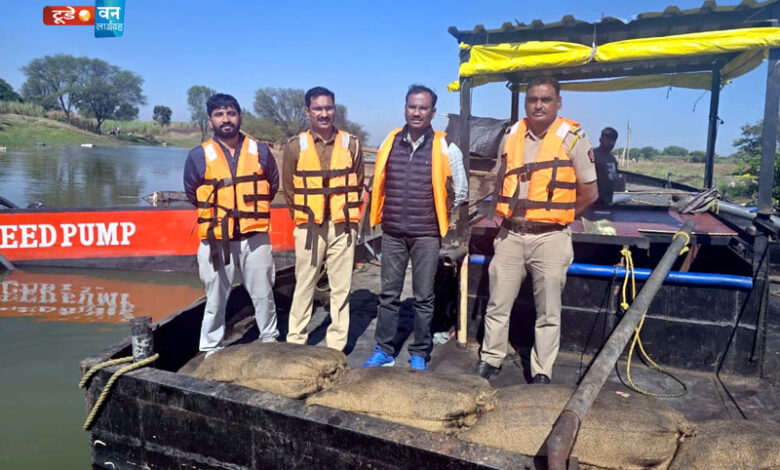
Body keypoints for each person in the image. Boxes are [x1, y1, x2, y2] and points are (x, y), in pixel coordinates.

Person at [472, 76, 598, 383]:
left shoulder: (574, 138)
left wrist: (560, 217)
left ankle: (542, 370)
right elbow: (501, 180)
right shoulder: (512, 135)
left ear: (558, 103)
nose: (538, 105)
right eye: (533, 100)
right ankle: (491, 358)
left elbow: (590, 193)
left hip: (550, 238)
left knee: (548, 312)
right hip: (511, 235)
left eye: (545, 99)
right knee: (498, 304)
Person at [362, 84, 468, 371]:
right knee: (389, 296)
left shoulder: (446, 147)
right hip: (393, 232)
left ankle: (419, 352)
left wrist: (439, 216)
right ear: (405, 109)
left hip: (426, 235)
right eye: (412, 106)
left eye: (423, 108)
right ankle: (384, 350)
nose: (417, 112)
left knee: (423, 297)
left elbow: (461, 190)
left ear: (433, 112)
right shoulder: (389, 142)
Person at [183, 93, 279, 357]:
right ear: (210, 120)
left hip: (254, 237)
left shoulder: (260, 151)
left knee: (263, 294)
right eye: (219, 114)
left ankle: (270, 340)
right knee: (215, 298)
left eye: (231, 113)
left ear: (239, 117)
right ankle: (211, 347)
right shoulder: (197, 156)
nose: (226, 119)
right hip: (217, 239)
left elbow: (272, 185)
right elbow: (193, 193)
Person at [283, 87, 364, 351]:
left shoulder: (351, 143)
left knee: (341, 287)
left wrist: (345, 212)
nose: (324, 113)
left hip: (343, 226)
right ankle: (296, 341)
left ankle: (335, 346)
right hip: (309, 227)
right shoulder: (295, 146)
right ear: (308, 112)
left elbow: (358, 181)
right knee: (304, 284)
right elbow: (289, 187)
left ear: (334, 110)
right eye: (318, 108)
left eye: (328, 108)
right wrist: (302, 215)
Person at [593, 127, 619, 205]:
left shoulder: (612, 159)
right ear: (600, 139)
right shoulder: (592, 155)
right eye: (607, 139)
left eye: (613, 140)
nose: (610, 143)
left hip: (607, 201)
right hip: (594, 203)